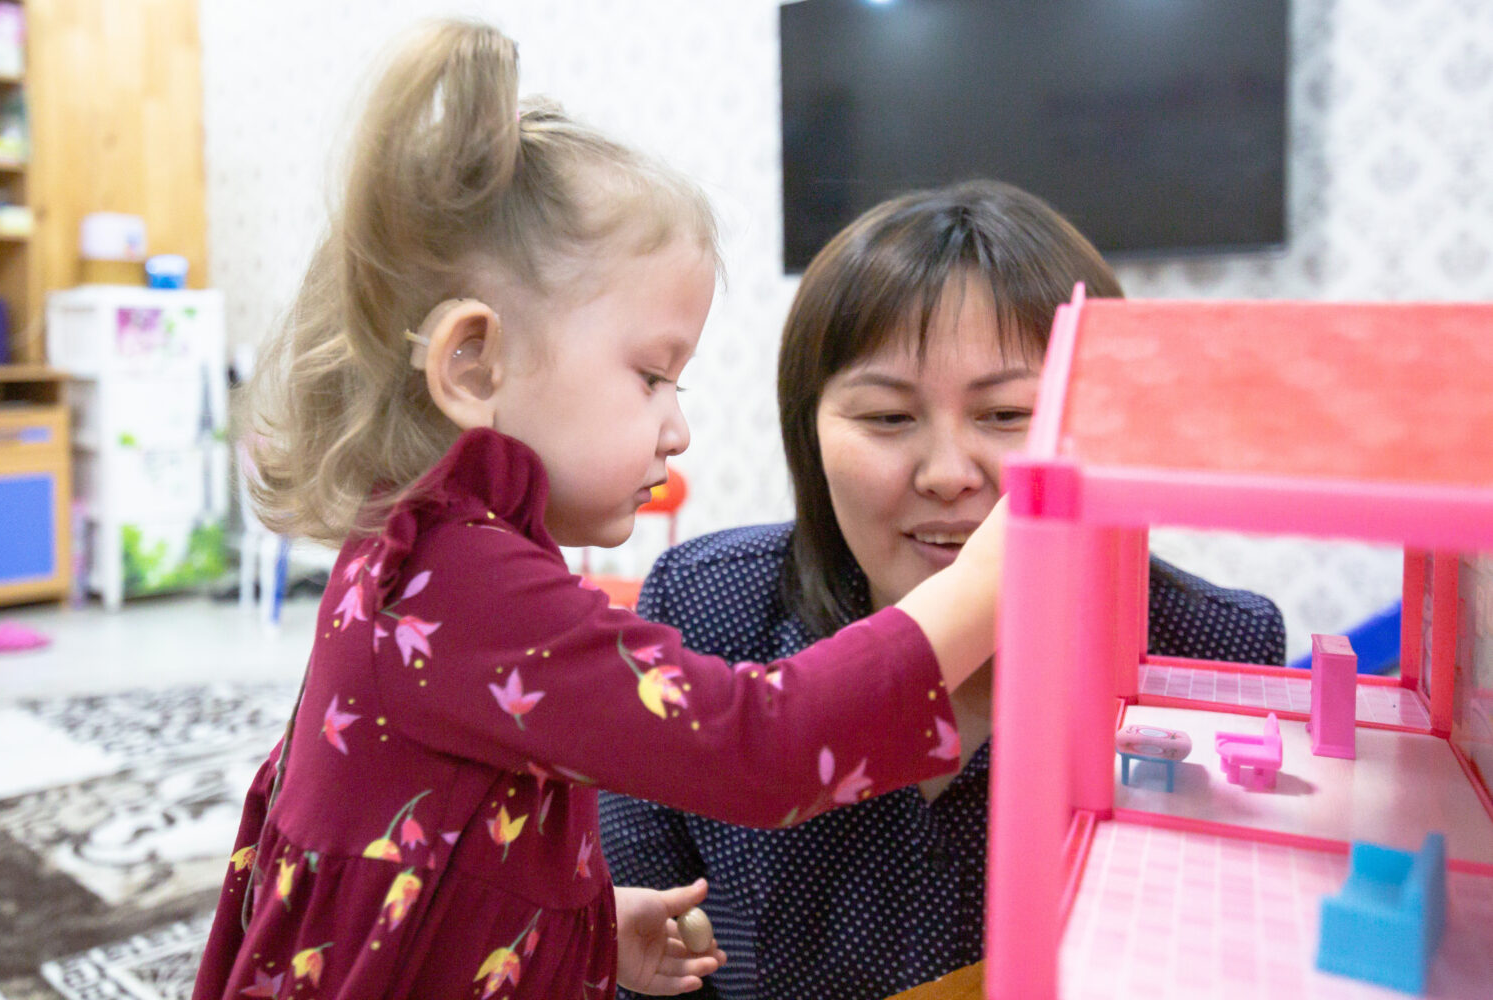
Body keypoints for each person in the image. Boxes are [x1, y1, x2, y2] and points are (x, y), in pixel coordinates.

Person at [191, 22, 1014, 1000]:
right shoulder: (459, 582)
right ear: (473, 366)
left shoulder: (433, 541)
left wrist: (573, 929)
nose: (678, 429)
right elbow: (766, 748)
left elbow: (436, 839)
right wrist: (986, 585)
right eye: (653, 376)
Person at [600, 180, 1286, 1000]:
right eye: (889, 418)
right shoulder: (706, 612)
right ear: (808, 432)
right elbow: (637, 963)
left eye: (1007, 414)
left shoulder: (1213, 652)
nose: (948, 473)